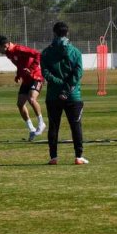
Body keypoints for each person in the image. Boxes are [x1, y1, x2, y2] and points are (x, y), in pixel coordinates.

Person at [41, 21, 87, 165]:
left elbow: (45, 73)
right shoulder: (75, 52)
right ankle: (78, 156)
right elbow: (78, 73)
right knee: (76, 125)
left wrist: (59, 85)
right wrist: (66, 88)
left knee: (54, 125)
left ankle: (53, 157)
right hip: (73, 95)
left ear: (54, 33)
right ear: (67, 33)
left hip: (53, 95)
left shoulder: (46, 52)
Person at [0, 35, 46, 141]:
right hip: (26, 80)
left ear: (6, 45)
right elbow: (20, 64)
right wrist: (18, 75)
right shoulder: (9, 53)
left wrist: (31, 69)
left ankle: (41, 123)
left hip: (36, 77)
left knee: (31, 99)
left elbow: (37, 54)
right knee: (20, 103)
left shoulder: (20, 49)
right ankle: (31, 129)